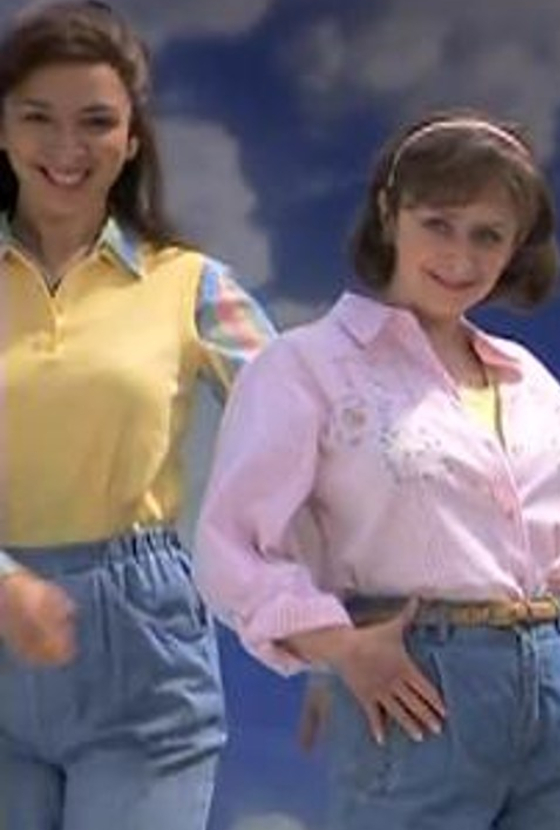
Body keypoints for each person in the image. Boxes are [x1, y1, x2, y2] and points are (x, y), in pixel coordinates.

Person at [193, 111, 560, 830]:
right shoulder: (306, 367)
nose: (460, 256)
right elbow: (233, 548)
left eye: (488, 235)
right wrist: (341, 648)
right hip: (413, 699)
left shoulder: (530, 381)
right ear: (390, 212)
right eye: (438, 223)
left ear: (515, 249)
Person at [0, 2, 275, 828]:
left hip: (142, 656)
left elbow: (314, 423)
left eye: (96, 121)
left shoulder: (193, 285)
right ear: (1, 130)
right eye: (37, 117)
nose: (66, 148)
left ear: (132, 140)